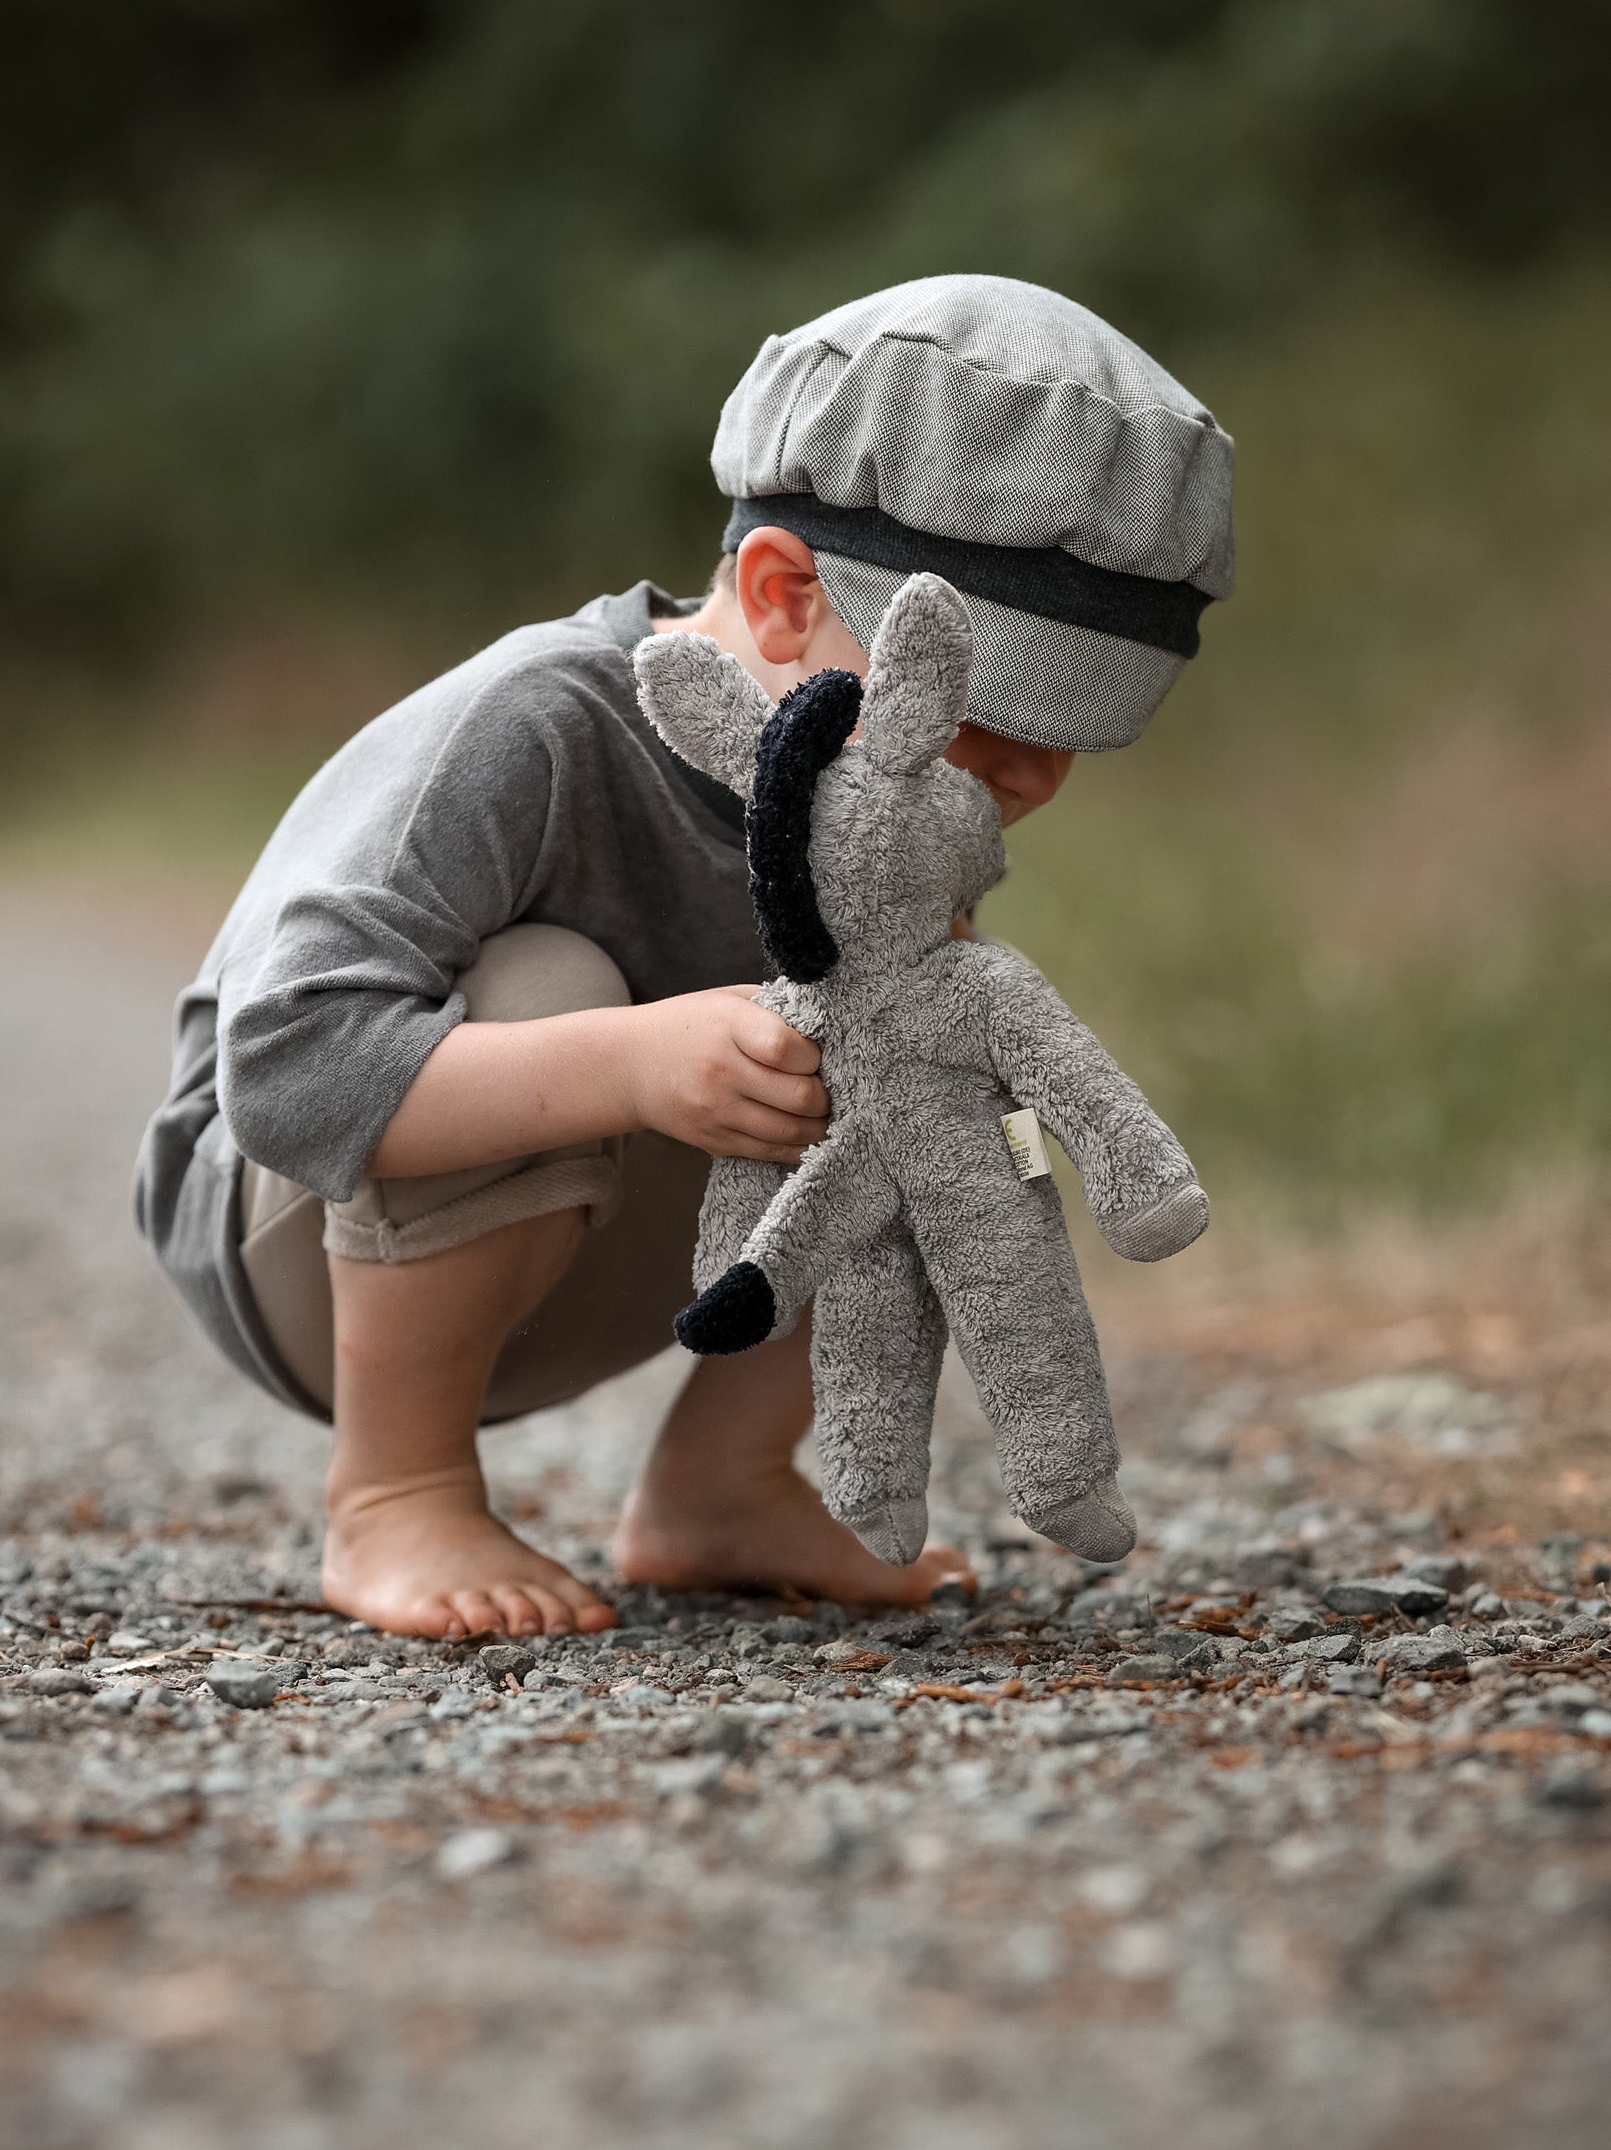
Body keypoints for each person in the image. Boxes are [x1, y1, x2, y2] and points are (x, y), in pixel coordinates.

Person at [135, 274, 1234, 1642]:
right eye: (984, 707)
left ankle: (725, 1485)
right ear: (780, 597)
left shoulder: (882, 817)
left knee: (930, 1046)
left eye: (1075, 730)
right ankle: (396, 1489)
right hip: (301, 1233)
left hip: (600, 1256)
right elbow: (289, 1072)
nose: (1034, 776)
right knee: (548, 982)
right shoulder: (531, 730)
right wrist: (631, 1063)